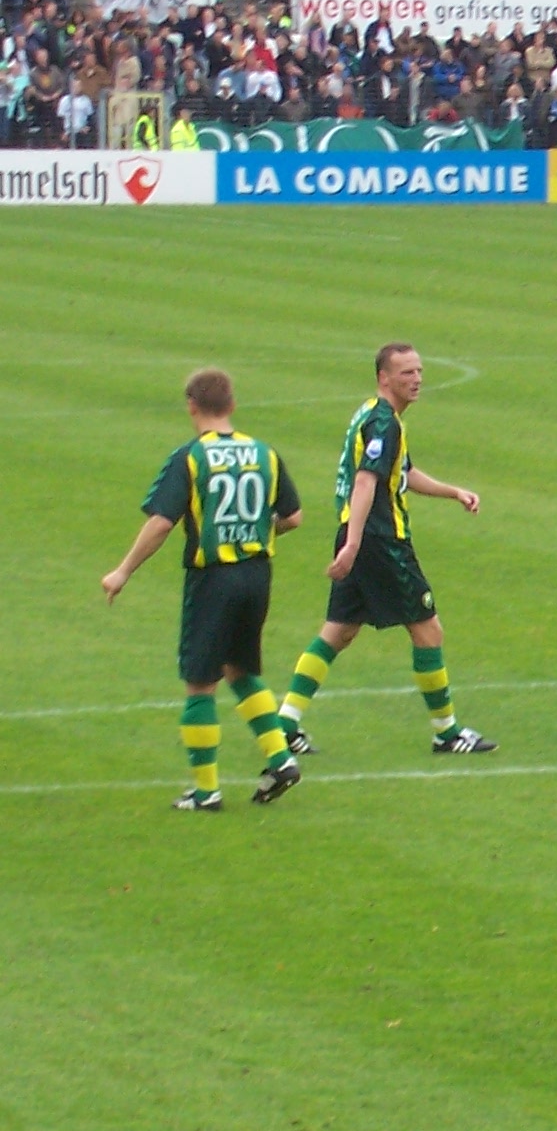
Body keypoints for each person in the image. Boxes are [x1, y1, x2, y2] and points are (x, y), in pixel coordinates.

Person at [98, 367, 304, 811]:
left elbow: (161, 523)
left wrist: (123, 571)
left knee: (200, 682)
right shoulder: (264, 453)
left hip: (214, 579)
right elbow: (292, 517)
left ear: (192, 406)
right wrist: (252, 530)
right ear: (231, 405)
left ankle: (206, 791)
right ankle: (281, 759)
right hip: (257, 575)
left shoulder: (191, 457)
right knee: (241, 670)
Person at [276, 345, 495, 757]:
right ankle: (446, 733)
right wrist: (356, 544)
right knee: (428, 630)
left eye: (419, 371)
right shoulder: (383, 424)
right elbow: (365, 482)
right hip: (379, 540)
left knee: (339, 631)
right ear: (383, 378)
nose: (416, 379)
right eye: (406, 372)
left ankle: (284, 723)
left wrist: (453, 492)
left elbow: (403, 473)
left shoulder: (374, 416)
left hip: (358, 535)